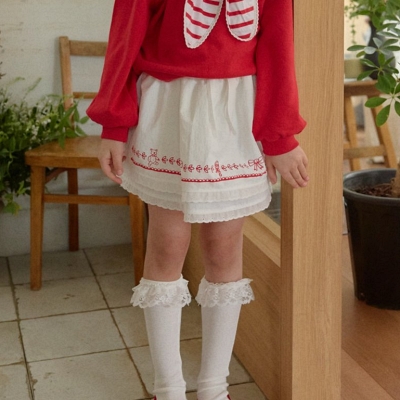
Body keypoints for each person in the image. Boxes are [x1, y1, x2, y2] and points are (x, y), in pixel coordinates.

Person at [87, 0, 309, 399]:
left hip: (234, 113)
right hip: (168, 107)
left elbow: (277, 44)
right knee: (167, 245)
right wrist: (114, 125)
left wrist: (279, 136)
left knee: (224, 248)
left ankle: (213, 388)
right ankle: (168, 388)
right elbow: (126, 33)